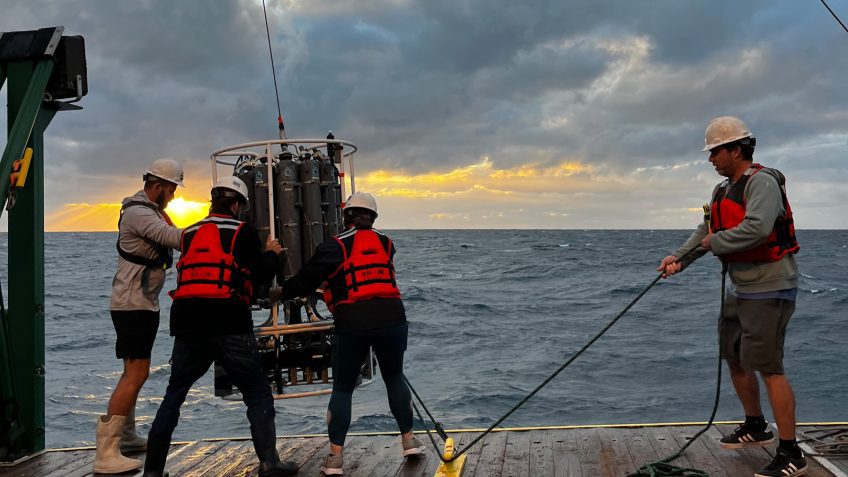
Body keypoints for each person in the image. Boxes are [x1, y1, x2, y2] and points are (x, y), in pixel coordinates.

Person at [657, 116, 805, 477]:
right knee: (735, 356)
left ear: (736, 150)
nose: (711, 160)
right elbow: (706, 230)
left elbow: (756, 229)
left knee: (770, 368)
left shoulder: (762, 183)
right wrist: (679, 258)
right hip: (741, 287)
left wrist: (715, 242)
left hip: (770, 286)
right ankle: (756, 426)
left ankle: (791, 453)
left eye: (715, 152)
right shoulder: (722, 190)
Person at [141, 176, 297, 477]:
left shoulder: (189, 233)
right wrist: (273, 254)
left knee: (175, 394)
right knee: (256, 390)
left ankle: (152, 472)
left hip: (187, 321)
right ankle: (270, 463)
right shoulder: (243, 231)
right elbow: (261, 275)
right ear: (237, 204)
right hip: (229, 320)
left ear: (213, 202)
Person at [273, 192, 424, 476]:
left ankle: (334, 460)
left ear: (346, 216)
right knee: (394, 377)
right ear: (373, 218)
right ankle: (409, 442)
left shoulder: (336, 245)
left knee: (343, 387)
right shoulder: (386, 243)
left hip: (353, 321)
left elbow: (308, 278)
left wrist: (282, 291)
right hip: (392, 317)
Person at [94, 158, 185, 474]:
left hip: (138, 303)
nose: (173, 195)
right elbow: (176, 239)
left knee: (131, 372)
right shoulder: (138, 213)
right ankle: (105, 453)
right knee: (137, 373)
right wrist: (214, 230)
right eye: (171, 189)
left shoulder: (149, 211)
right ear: (158, 186)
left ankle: (128, 436)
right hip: (133, 305)